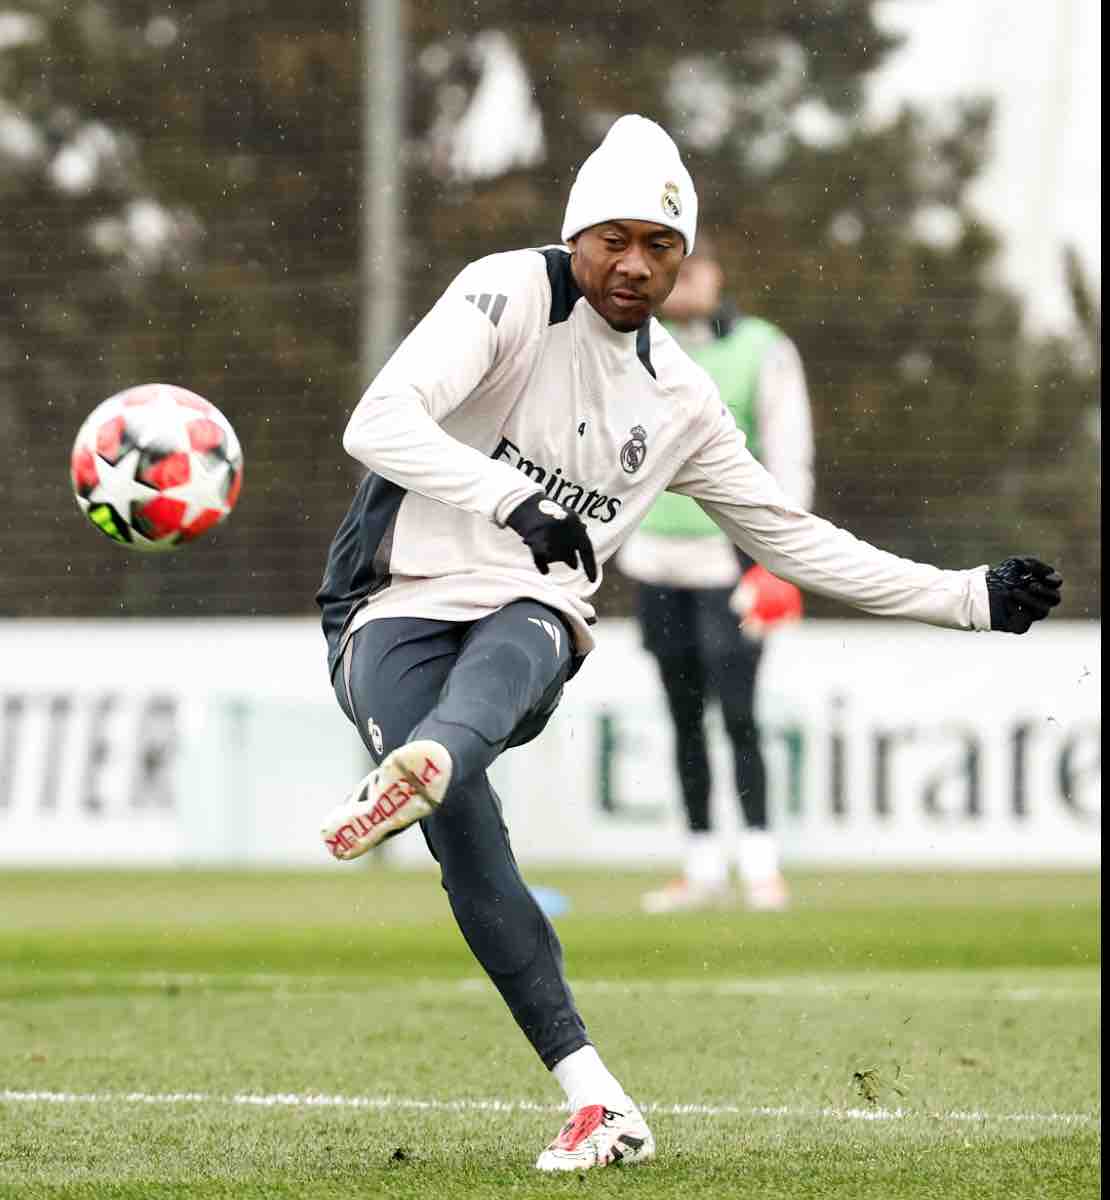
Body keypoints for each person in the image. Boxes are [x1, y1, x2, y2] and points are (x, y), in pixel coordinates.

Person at [314, 114, 1062, 1173]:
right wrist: (513, 498)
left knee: (527, 630)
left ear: (685, 254)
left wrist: (966, 598)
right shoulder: (507, 291)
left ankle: (432, 760)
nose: (634, 264)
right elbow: (379, 420)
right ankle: (599, 1100)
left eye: (660, 245)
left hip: (529, 611)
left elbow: (791, 537)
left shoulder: (682, 400)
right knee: (466, 833)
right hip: (391, 596)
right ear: (575, 233)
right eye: (612, 237)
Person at [618, 237, 814, 914]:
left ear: (716, 273)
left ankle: (760, 862)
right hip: (655, 560)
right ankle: (701, 864)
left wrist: (780, 559)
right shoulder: (634, 342)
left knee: (738, 711)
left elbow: (790, 453)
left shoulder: (764, 348)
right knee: (681, 716)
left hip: (734, 561)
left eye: (693, 265)